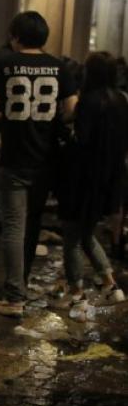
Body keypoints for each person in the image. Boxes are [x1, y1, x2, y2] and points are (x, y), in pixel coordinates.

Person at [0, 11, 78, 317]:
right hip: (46, 158)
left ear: (16, 36)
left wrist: (3, 104)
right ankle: (23, 282)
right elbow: (71, 110)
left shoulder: (5, 64)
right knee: (32, 224)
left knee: (14, 227)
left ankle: (14, 294)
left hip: (14, 156)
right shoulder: (59, 67)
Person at [51, 52, 125, 307]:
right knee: (85, 233)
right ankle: (109, 284)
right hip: (108, 178)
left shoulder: (89, 102)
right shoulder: (121, 101)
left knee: (71, 236)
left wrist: (62, 129)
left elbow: (80, 141)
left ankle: (76, 293)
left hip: (82, 177)